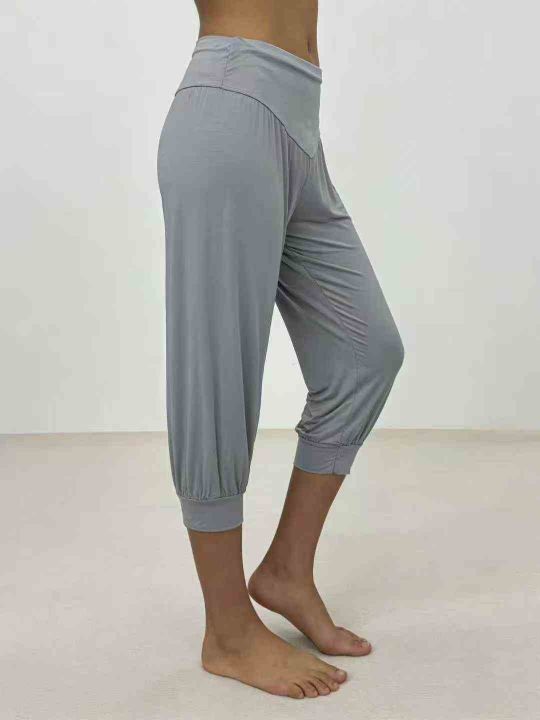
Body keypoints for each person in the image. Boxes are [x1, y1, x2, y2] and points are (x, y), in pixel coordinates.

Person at [157, 0, 404, 700]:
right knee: (217, 375)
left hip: (297, 117)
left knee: (367, 354)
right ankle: (228, 632)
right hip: (231, 108)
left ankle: (287, 570)